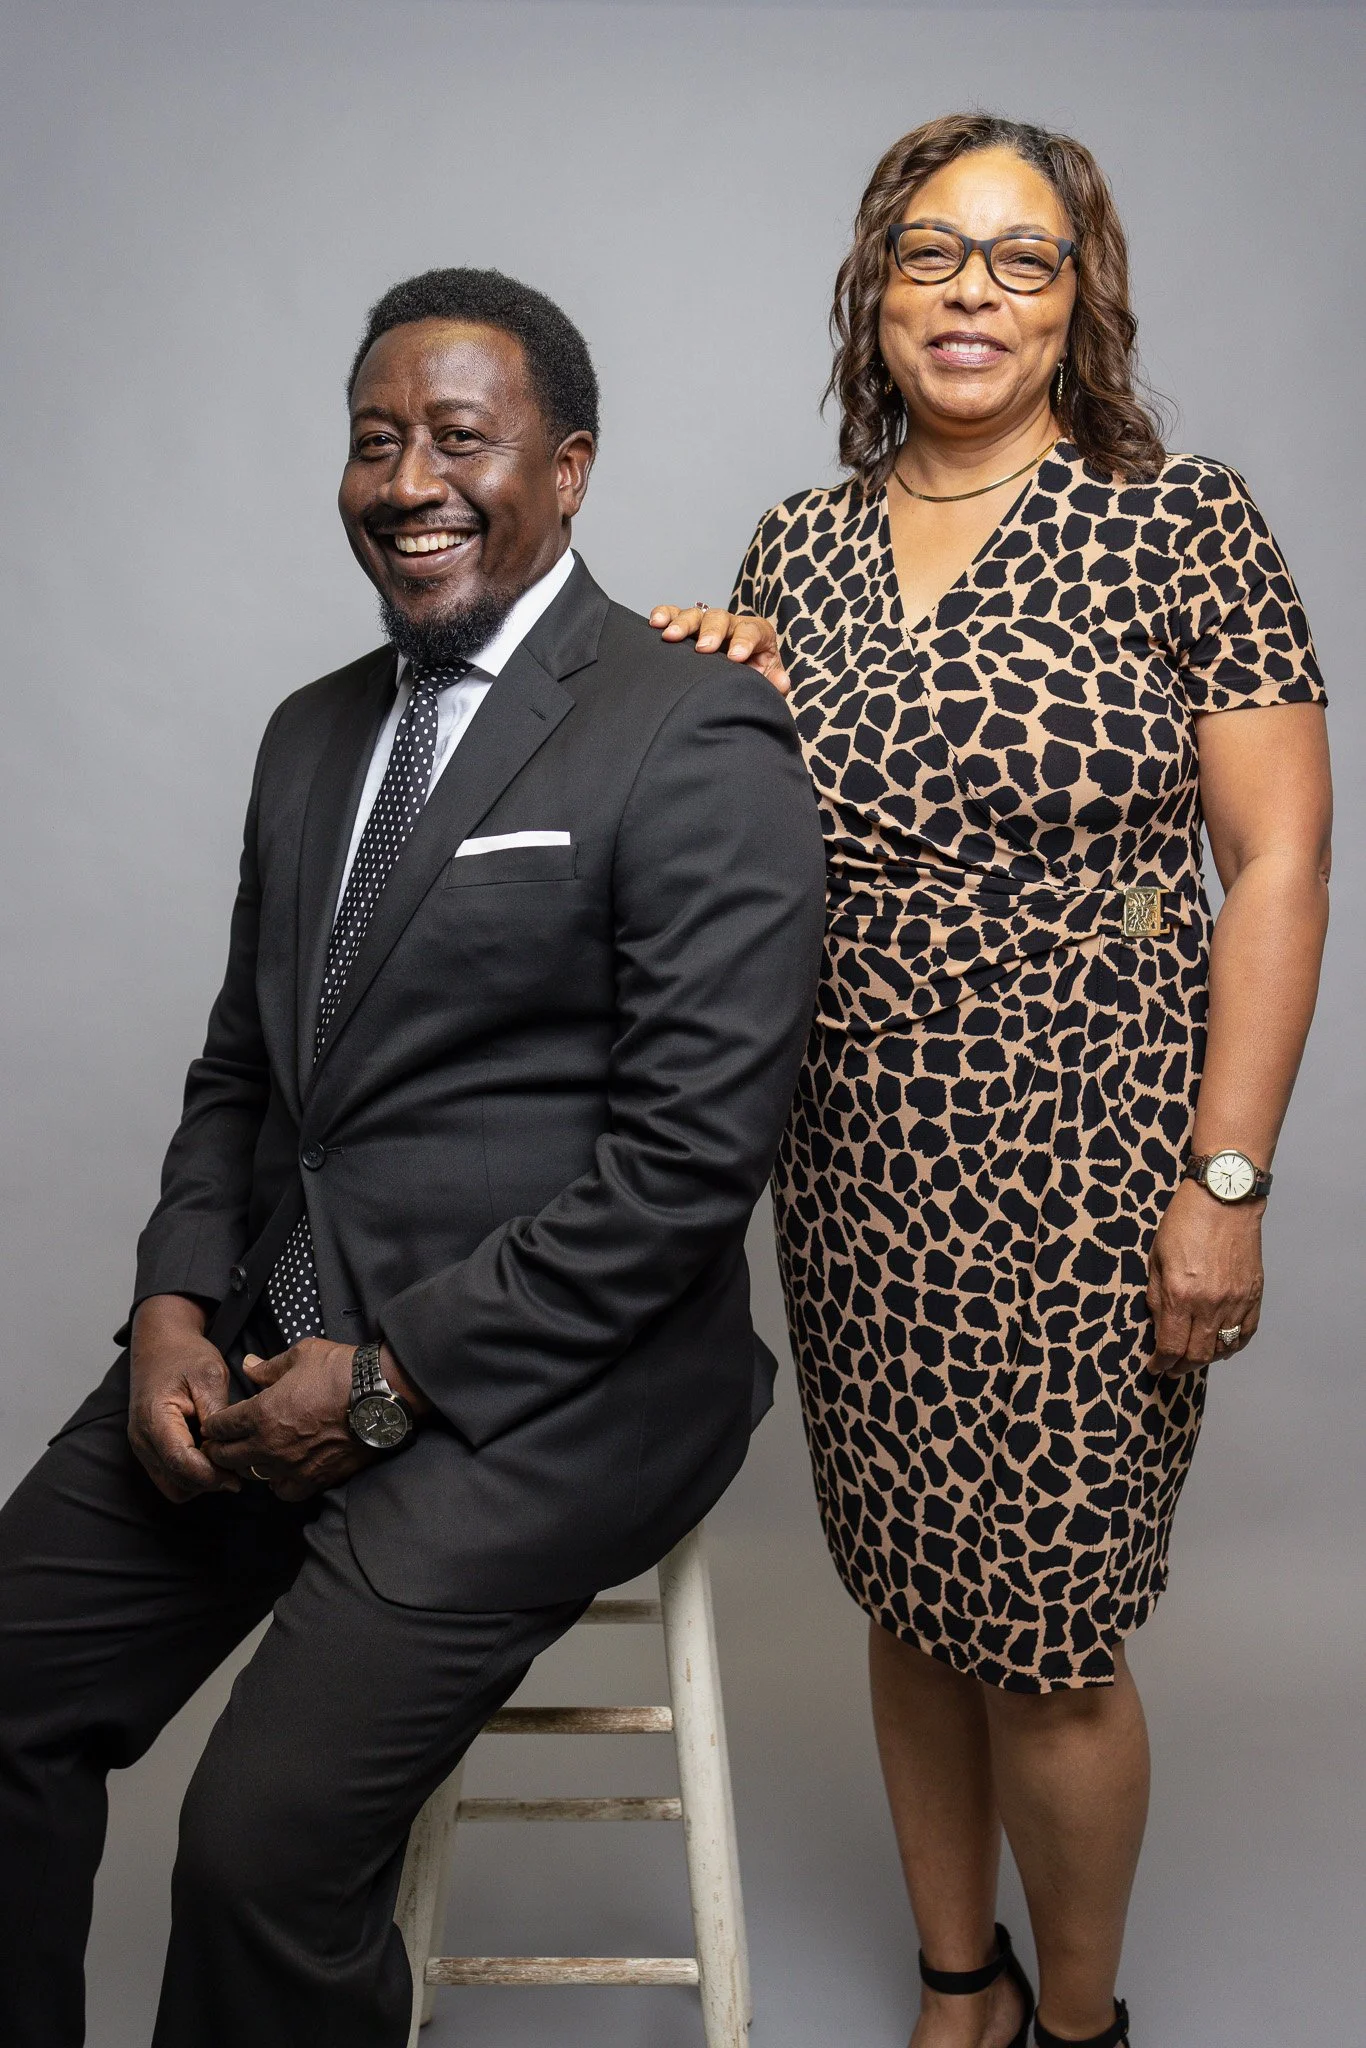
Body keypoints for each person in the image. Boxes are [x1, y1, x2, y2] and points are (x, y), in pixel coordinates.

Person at [0, 267, 826, 2048]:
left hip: (543, 1393)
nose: (409, 481)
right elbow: (243, 1072)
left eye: (463, 437)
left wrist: (380, 1382)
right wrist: (165, 1298)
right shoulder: (311, 738)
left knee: (251, 1857)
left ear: (571, 469)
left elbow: (690, 1166)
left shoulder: (693, 729)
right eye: (377, 441)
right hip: (257, 1340)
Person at [651, 113, 1331, 2048]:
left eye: (1020, 260)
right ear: (874, 291)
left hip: (1089, 1154)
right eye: (931, 255)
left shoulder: (1179, 518)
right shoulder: (796, 543)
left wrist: (1224, 1181)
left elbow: (1275, 861)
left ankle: (1081, 2023)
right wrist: (711, 682)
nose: (971, 293)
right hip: (852, 1148)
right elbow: (739, 831)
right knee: (904, 1587)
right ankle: (962, 1982)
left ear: (1077, 300)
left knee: (1043, 1635)